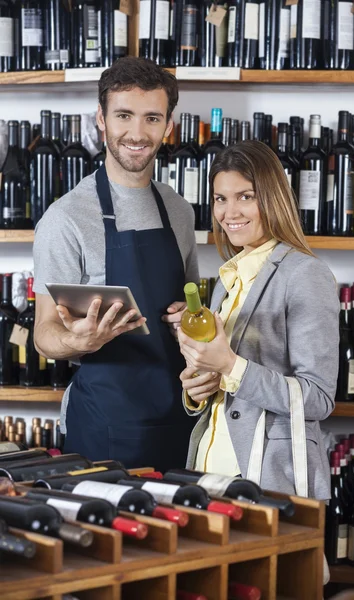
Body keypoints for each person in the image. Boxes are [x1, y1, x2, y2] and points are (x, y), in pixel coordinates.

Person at [33, 57, 198, 470]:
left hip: (180, 417)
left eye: (152, 118)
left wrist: (190, 320)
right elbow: (44, 335)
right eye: (124, 115)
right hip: (104, 424)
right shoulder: (66, 218)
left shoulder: (178, 210)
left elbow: (191, 308)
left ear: (169, 125)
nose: (137, 133)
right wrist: (79, 342)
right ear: (101, 120)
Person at [178, 140, 339, 499]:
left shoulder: (304, 275)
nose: (229, 212)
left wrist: (231, 367)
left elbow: (318, 398)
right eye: (220, 198)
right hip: (208, 471)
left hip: (268, 479)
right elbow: (224, 385)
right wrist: (197, 389)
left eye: (245, 196)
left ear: (272, 197)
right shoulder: (227, 280)